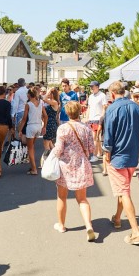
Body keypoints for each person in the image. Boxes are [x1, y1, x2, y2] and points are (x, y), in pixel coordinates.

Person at [102, 81, 139, 245]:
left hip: (118, 157)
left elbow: (108, 136)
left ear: (112, 94)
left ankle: (136, 232)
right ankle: (117, 218)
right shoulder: (135, 107)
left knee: (124, 192)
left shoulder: (112, 109)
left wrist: (106, 154)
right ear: (124, 92)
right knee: (123, 188)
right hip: (132, 156)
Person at [50, 101, 96, 241]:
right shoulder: (86, 128)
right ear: (79, 112)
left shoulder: (63, 128)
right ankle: (88, 226)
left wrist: (50, 156)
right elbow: (92, 149)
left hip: (66, 166)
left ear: (67, 112)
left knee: (62, 197)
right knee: (82, 199)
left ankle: (61, 225)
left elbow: (58, 149)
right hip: (82, 165)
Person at [17, 88, 47, 175]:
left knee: (30, 148)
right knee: (32, 146)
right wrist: (44, 126)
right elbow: (45, 116)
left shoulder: (28, 104)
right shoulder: (40, 103)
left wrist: (20, 130)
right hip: (38, 126)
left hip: (31, 126)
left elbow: (24, 119)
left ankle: (34, 169)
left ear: (29, 95)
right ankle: (32, 165)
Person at [85, 81, 107, 162]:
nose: (91, 88)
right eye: (90, 86)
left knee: (95, 137)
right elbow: (89, 108)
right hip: (91, 119)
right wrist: (87, 118)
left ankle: (94, 155)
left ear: (97, 87)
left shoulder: (102, 95)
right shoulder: (90, 96)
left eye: (93, 86)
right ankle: (99, 152)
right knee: (95, 137)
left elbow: (105, 107)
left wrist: (102, 117)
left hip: (98, 119)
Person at [42, 87, 60, 153]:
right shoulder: (54, 102)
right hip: (50, 123)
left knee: (46, 143)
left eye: (49, 93)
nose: (48, 94)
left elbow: (44, 99)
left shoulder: (54, 102)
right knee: (49, 142)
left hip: (50, 124)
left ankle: (47, 158)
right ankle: (55, 156)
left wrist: (48, 91)